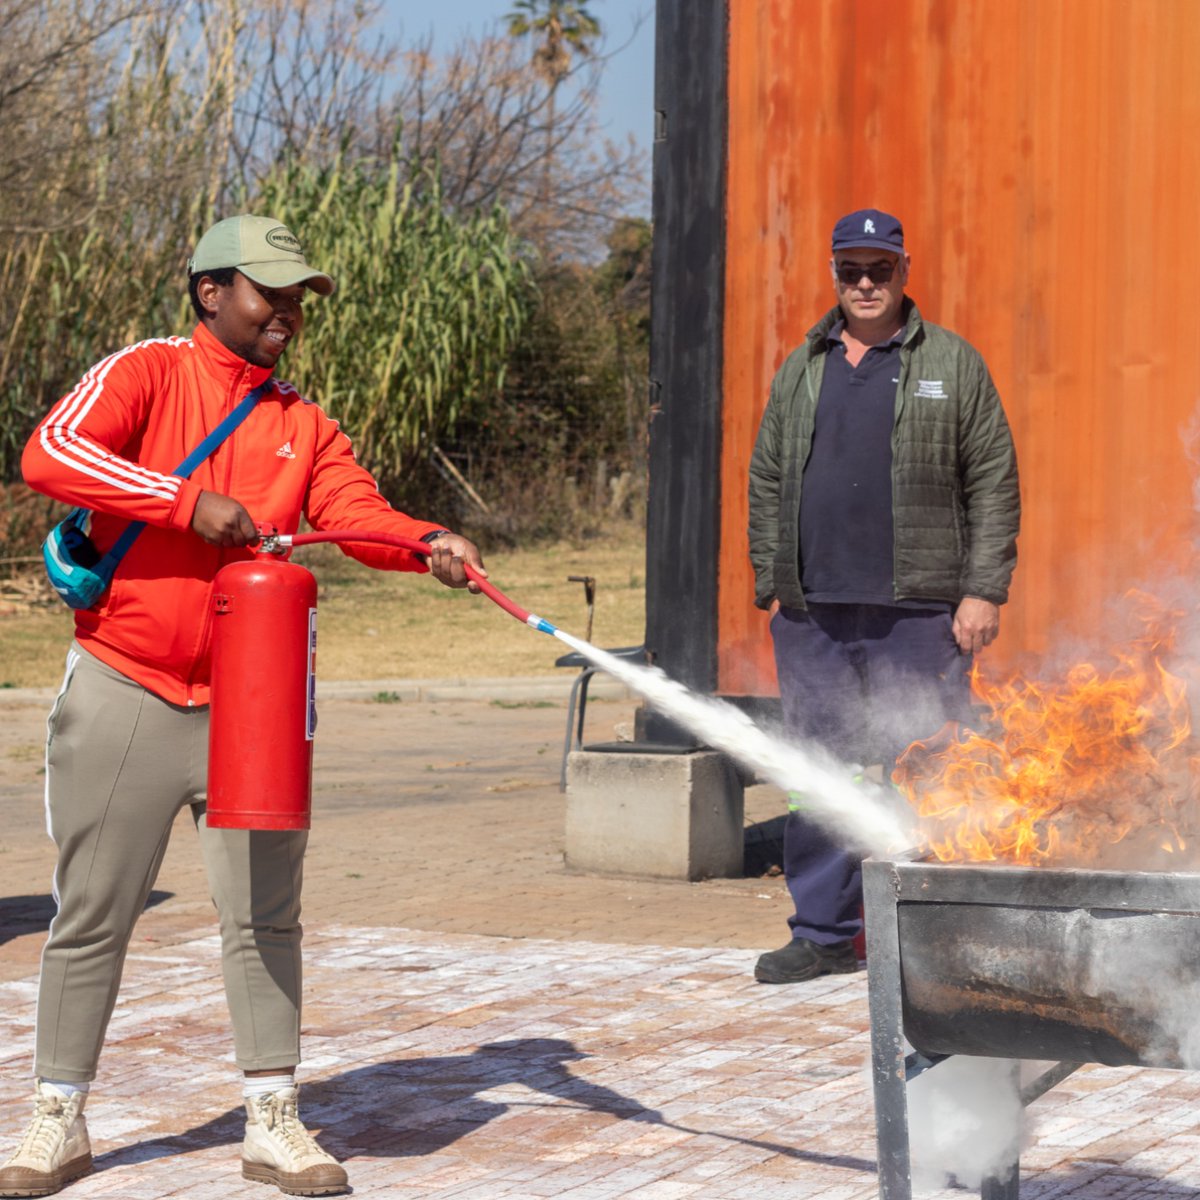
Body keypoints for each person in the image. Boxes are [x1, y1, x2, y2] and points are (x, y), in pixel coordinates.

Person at [0, 215, 486, 1197]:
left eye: (301, 296)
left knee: (265, 915)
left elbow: (355, 516)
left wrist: (427, 538)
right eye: (273, 292)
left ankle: (273, 1119)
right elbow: (49, 453)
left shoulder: (302, 425)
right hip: (124, 681)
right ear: (209, 292)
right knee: (92, 909)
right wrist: (184, 505)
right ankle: (57, 1114)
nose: (290, 313)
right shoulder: (145, 373)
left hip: (250, 708)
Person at [747, 208, 1020, 984]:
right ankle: (826, 933)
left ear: (905, 271)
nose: (865, 284)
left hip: (922, 612)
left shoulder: (954, 363)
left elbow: (994, 482)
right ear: (836, 275)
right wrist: (773, 580)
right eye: (851, 271)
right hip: (814, 613)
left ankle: (933, 938)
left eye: (880, 269)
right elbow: (767, 477)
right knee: (821, 771)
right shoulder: (802, 366)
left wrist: (982, 591)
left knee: (927, 767)